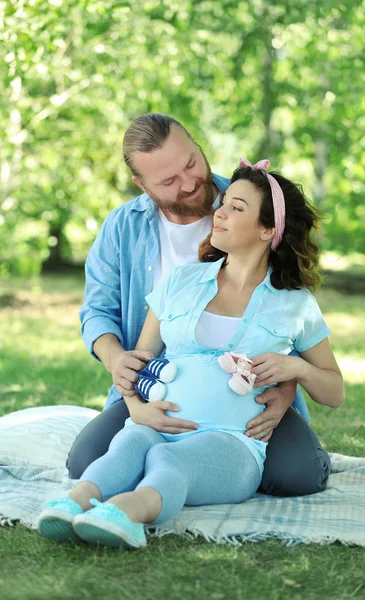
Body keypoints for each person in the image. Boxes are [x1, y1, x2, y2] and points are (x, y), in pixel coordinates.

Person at [38, 159, 344, 549]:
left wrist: (296, 367)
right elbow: (138, 363)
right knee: (130, 444)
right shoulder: (180, 281)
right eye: (224, 203)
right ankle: (72, 504)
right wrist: (135, 407)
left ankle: (126, 513)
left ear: (268, 230)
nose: (220, 213)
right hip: (157, 422)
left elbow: (334, 392)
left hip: (231, 441)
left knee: (170, 463)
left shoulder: (295, 304)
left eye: (237, 208)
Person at [67, 113, 333, 496]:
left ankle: (190, 469)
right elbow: (97, 312)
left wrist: (289, 382)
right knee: (86, 463)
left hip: (247, 400)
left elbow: (284, 315)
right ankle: (164, 470)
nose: (190, 183)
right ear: (142, 184)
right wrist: (119, 364)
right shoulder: (122, 228)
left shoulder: (250, 200)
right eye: (169, 181)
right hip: (157, 387)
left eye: (191, 162)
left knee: (295, 476)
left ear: (196, 145)